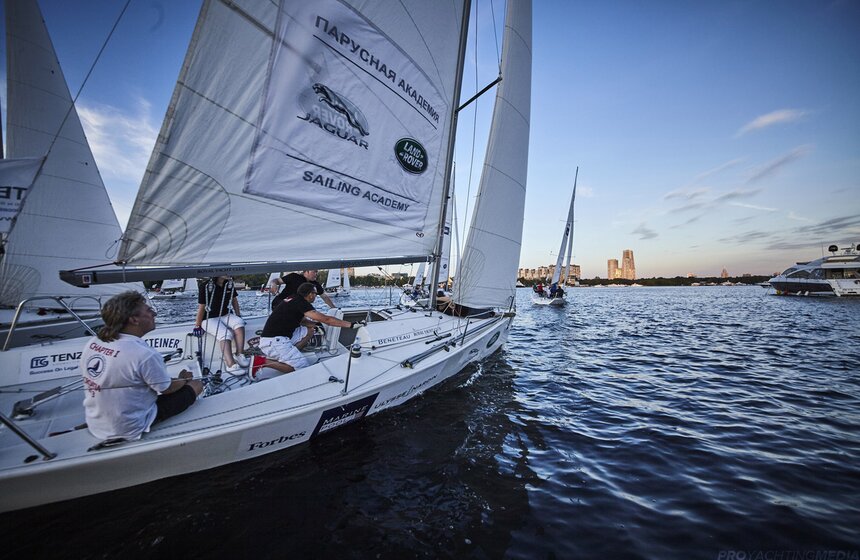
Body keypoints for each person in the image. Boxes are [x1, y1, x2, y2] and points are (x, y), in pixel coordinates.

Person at [80, 291, 203, 441]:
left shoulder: (95, 342)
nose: (154, 314)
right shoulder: (143, 354)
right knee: (196, 385)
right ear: (134, 320)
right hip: (128, 427)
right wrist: (184, 379)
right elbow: (166, 389)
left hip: (97, 422)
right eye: (149, 310)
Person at [259, 283, 363, 374]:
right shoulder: (301, 303)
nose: (316, 297)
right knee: (302, 367)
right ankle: (262, 362)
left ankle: (291, 354)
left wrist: (315, 325)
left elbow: (301, 321)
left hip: (273, 338)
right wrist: (351, 325)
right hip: (275, 341)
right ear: (310, 294)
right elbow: (327, 320)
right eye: (316, 294)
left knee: (308, 330)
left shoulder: (293, 298)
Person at [195, 276, 248, 374]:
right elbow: (202, 307)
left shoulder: (228, 284)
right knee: (225, 333)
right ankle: (230, 364)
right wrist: (197, 325)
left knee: (239, 323)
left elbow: (234, 300)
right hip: (208, 318)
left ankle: (240, 354)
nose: (229, 273)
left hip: (224, 314)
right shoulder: (206, 286)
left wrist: (238, 315)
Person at [270, 270, 335, 310]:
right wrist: (273, 284)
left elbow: (325, 297)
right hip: (279, 303)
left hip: (296, 307)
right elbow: (276, 281)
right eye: (314, 271)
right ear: (306, 271)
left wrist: (334, 309)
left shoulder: (315, 284)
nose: (316, 274)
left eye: (317, 272)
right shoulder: (294, 277)